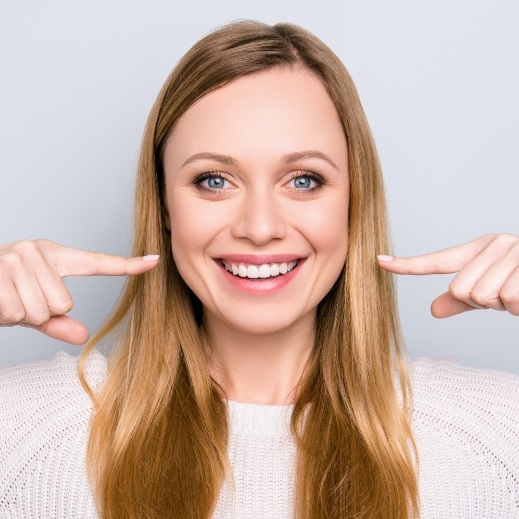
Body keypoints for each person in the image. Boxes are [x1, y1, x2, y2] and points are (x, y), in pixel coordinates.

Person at [0, 20, 518, 519]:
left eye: (305, 180)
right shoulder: (26, 431)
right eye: (214, 180)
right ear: (162, 203)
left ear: (353, 201)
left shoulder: (494, 439)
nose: (260, 226)